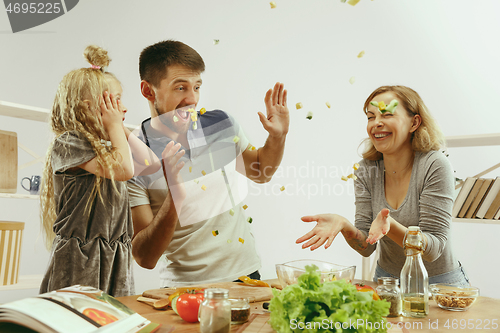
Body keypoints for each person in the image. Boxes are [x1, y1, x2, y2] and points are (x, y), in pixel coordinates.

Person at [127, 40, 289, 287]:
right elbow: (144, 257)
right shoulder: (134, 156)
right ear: (148, 91)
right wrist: (175, 197)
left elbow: (260, 171)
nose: (192, 99)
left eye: (197, 87)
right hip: (185, 289)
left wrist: (277, 136)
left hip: (247, 277)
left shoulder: (221, 124)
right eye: (180, 88)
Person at [297, 85, 469, 285]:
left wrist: (391, 227)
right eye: (371, 117)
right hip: (387, 283)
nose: (376, 123)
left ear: (414, 122)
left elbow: (433, 249)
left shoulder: (434, 165)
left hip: (440, 286)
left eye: (387, 115)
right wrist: (344, 225)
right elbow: (367, 247)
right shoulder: (365, 170)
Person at [39, 45, 146, 297]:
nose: (123, 108)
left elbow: (148, 161)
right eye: (114, 101)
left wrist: (118, 126)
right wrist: (114, 125)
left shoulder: (111, 147)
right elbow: (124, 170)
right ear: (89, 108)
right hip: (81, 258)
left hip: (114, 254)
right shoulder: (68, 143)